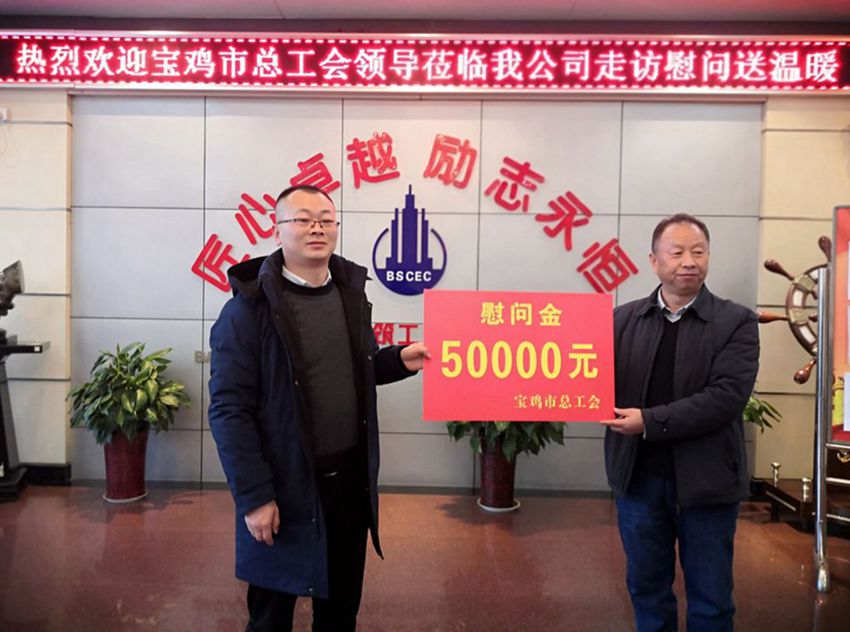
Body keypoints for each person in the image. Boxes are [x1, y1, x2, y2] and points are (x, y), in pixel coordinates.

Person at [208, 184, 430, 632]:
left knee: (340, 611)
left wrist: (398, 360)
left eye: (326, 220)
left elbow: (354, 368)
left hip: (348, 483)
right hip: (283, 483)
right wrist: (254, 496)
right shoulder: (248, 310)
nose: (317, 228)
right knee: (270, 617)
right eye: (303, 219)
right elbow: (229, 410)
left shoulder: (349, 296)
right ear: (277, 230)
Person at [600, 213, 759, 632]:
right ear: (654, 261)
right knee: (647, 588)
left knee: (711, 599)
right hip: (638, 480)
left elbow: (725, 399)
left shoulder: (736, 322)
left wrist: (649, 421)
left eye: (698, 252)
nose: (689, 261)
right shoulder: (621, 320)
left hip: (707, 484)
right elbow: (588, 379)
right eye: (677, 252)